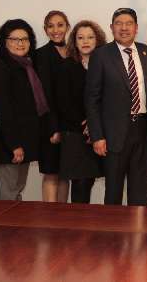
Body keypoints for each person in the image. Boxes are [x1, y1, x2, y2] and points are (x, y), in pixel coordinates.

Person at [86, 8, 147, 206]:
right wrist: (97, 136)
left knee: (139, 189)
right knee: (114, 190)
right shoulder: (100, 55)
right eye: (119, 23)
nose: (124, 28)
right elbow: (92, 99)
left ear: (136, 28)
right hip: (113, 134)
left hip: (142, 131)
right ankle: (113, 234)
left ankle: (138, 232)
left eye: (128, 24)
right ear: (111, 27)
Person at [0, 19, 49, 201]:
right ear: (4, 42)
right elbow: (3, 111)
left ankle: (14, 230)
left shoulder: (27, 66)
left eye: (24, 39)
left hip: (24, 142)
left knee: (16, 193)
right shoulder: (0, 69)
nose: (20, 43)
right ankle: (5, 231)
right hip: (8, 147)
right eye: (14, 39)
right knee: (8, 197)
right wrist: (14, 145)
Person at [54, 20, 106, 203]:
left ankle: (88, 227)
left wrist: (96, 126)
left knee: (90, 181)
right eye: (80, 37)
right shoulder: (66, 66)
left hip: (100, 132)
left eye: (90, 37)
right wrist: (87, 125)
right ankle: (78, 228)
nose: (85, 41)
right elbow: (63, 103)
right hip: (76, 134)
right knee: (80, 184)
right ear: (74, 42)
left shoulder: (105, 66)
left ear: (98, 40)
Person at [35, 10, 70, 202]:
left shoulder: (75, 52)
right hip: (50, 124)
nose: (56, 30)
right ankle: (50, 217)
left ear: (67, 27)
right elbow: (44, 95)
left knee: (66, 173)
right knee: (51, 172)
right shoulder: (41, 55)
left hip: (71, 126)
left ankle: (62, 219)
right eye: (51, 26)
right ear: (45, 29)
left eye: (60, 25)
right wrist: (53, 128)